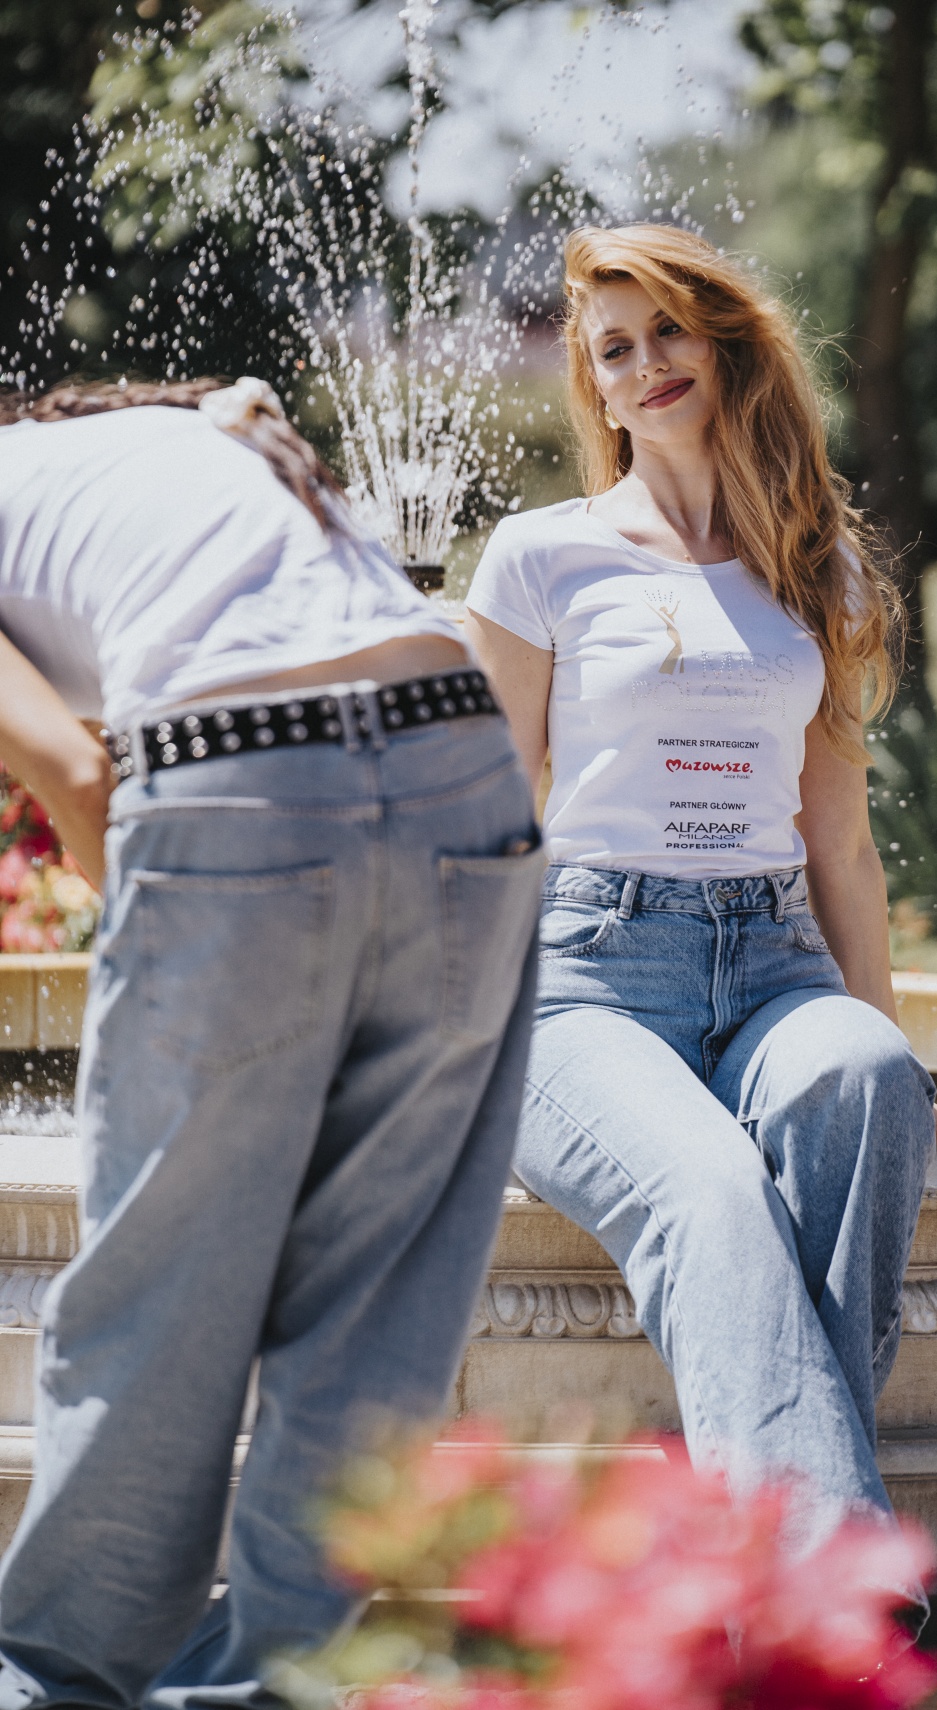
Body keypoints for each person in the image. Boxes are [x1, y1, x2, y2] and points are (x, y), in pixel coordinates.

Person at [465, 225, 937, 1541]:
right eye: (614, 348)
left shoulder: (817, 565)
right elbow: (484, 824)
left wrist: (897, 1049)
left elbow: (843, 845)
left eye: (668, 329)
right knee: (711, 1188)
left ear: (721, 345)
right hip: (591, 979)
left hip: (775, 963)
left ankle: (769, 1567)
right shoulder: (541, 556)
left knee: (863, 1080)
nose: (646, 361)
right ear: (596, 391)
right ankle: (832, 1594)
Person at [0, 377, 544, 1705]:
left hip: (251, 772)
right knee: (376, 1299)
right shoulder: (178, 446)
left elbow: (78, 776)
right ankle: (285, 1682)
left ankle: (54, 1681)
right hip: (465, 761)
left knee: (158, 1283)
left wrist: (152, 923)